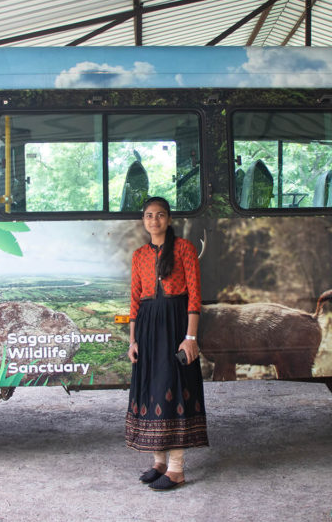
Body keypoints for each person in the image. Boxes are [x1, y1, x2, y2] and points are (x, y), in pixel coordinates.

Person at [125, 196, 208, 491]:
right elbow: (135, 300)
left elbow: (195, 296)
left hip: (176, 325)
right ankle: (159, 462)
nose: (154, 220)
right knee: (152, 391)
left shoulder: (185, 249)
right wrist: (133, 340)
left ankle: (177, 469)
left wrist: (190, 338)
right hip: (147, 328)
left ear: (169, 219)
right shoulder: (139, 255)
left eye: (160, 215)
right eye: (149, 215)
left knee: (174, 392)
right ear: (143, 221)